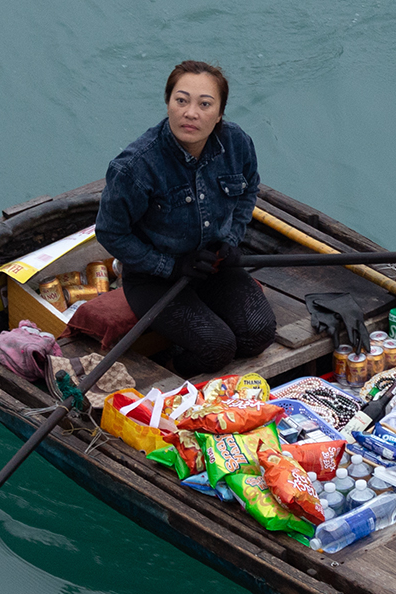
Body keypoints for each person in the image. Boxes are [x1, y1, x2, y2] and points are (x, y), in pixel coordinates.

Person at [95, 60, 276, 375]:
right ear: (168, 104)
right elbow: (111, 233)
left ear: (219, 113)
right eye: (181, 100)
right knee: (217, 348)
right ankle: (173, 363)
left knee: (258, 333)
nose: (191, 113)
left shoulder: (237, 143)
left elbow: (249, 190)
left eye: (205, 104)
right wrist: (171, 266)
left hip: (212, 265)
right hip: (153, 279)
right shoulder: (135, 167)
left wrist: (232, 240)